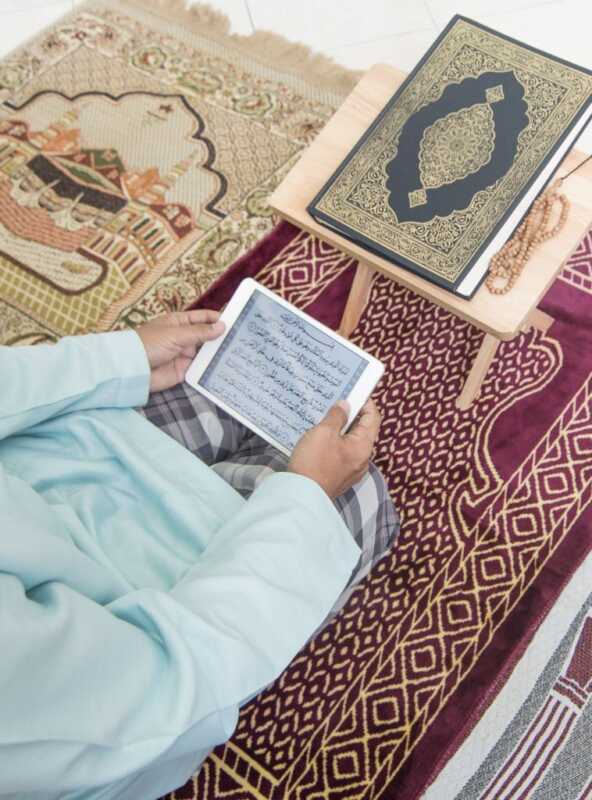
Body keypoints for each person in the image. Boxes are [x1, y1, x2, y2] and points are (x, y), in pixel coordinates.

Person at [0, 309, 399, 800]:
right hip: (165, 595)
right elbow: (167, 684)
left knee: (229, 366)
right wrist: (308, 496)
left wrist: (118, 357)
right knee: (363, 494)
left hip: (51, 447)